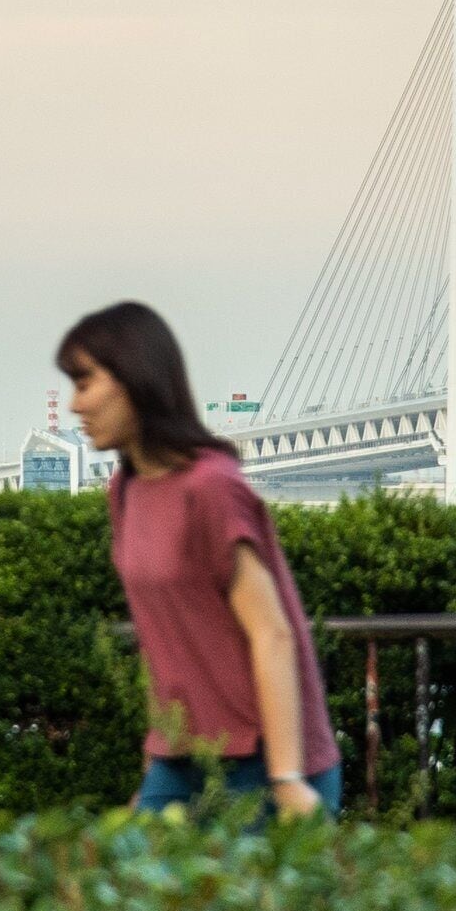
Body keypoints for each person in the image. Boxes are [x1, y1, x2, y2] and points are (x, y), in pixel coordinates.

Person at [61, 301, 342, 821]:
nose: (75, 404)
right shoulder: (125, 491)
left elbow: (272, 634)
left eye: (84, 383)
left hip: (265, 761)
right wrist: (155, 769)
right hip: (181, 757)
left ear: (134, 379)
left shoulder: (210, 488)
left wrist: (286, 779)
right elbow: (166, 640)